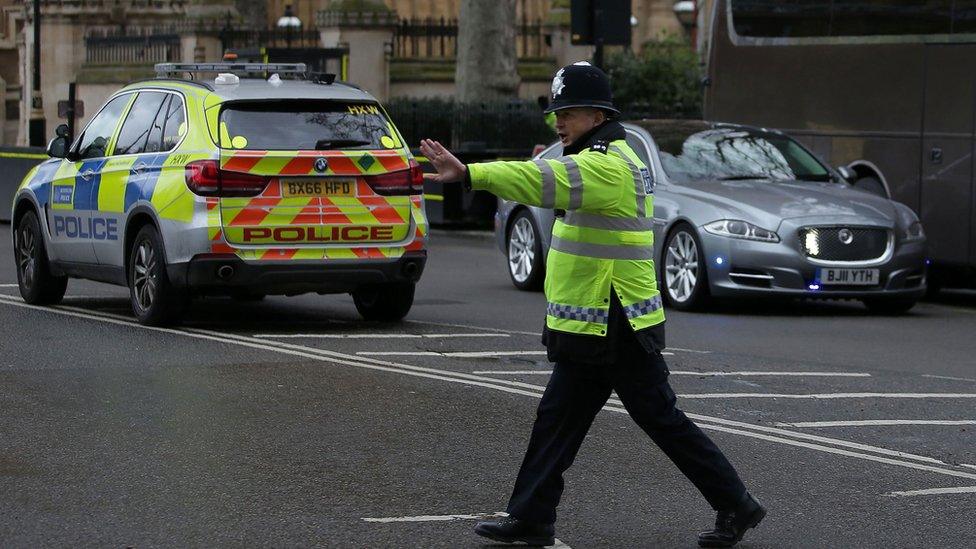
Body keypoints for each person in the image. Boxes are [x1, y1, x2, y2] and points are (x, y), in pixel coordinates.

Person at [420, 62, 765, 548]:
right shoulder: (591, 153)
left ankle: (737, 504)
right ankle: (532, 518)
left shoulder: (609, 165)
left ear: (599, 115)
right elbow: (552, 173)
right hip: (593, 319)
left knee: (660, 420)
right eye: (557, 113)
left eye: (571, 113)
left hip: (617, 320)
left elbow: (540, 181)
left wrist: (470, 172)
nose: (559, 122)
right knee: (558, 419)